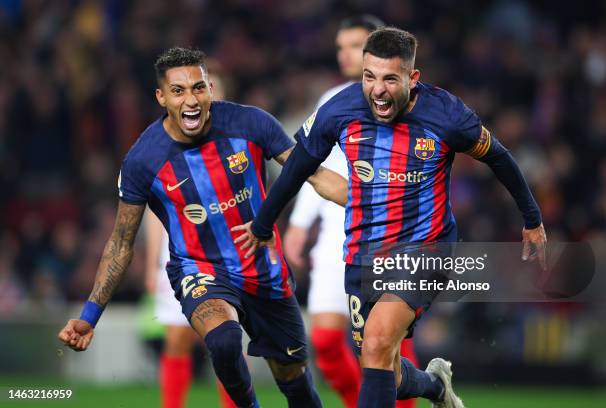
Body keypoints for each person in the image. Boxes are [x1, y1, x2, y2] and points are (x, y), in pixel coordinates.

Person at [233, 28, 547, 408]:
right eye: (370, 77)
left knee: (379, 341)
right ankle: (435, 386)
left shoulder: (447, 115)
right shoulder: (339, 109)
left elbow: (499, 157)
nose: (377, 90)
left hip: (426, 248)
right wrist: (264, 224)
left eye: (389, 79)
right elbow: (299, 166)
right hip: (363, 254)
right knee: (382, 365)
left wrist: (531, 219)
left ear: (413, 79)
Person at [58, 47, 348, 408]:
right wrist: (89, 316)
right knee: (224, 342)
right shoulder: (143, 160)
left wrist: (375, 208)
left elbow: (315, 175)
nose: (191, 99)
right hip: (200, 269)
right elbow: (120, 243)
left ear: (211, 88)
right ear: (161, 97)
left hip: (263, 270)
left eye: (198, 88)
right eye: (178, 91)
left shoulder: (252, 124)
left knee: (295, 382)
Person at [282, 15, 417, 408]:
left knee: (387, 342)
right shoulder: (333, 101)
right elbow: (316, 165)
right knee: (324, 340)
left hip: (385, 234)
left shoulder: (406, 105)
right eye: (341, 47)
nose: (347, 55)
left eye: (355, 47)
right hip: (334, 235)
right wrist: (299, 224)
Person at [144, 69, 235, 408]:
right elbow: (157, 211)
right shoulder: (164, 146)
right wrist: (154, 259)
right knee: (178, 338)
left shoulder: (238, 145)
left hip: (228, 258)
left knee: (225, 341)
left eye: (207, 91)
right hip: (179, 258)